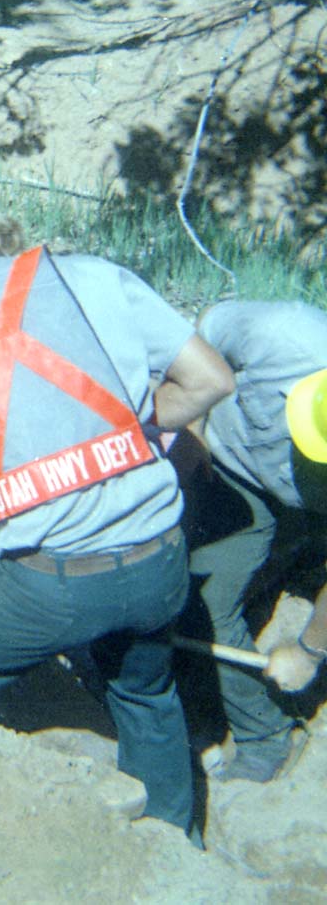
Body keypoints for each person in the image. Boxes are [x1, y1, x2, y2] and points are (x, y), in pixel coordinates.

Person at [0, 168, 235, 842]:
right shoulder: (100, 278)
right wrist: (135, 431)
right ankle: (175, 848)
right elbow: (212, 379)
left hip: (50, 587)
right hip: (161, 561)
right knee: (144, 690)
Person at [175, 301, 327, 782]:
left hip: (309, 511)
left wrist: (308, 651)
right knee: (197, 596)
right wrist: (192, 435)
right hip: (236, 474)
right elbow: (203, 340)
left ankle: (264, 738)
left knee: (216, 606)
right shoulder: (283, 334)